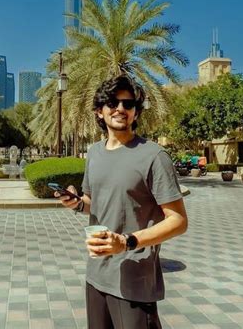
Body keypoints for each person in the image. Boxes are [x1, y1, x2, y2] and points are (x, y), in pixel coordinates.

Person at [56, 75, 188, 329]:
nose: (120, 109)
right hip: (96, 274)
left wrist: (127, 242)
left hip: (134, 280)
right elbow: (96, 203)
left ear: (136, 113)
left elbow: (179, 221)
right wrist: (77, 203)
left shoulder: (154, 156)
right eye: (112, 103)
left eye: (128, 105)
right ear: (99, 112)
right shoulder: (94, 152)